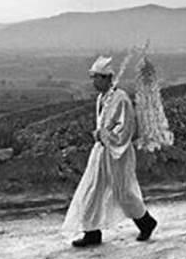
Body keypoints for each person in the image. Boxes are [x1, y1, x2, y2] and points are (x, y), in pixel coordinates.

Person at [62, 56, 157, 247]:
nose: (94, 82)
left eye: (97, 77)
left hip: (117, 154)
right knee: (91, 190)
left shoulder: (120, 99)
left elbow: (125, 129)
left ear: (106, 78)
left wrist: (103, 135)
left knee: (123, 192)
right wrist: (101, 137)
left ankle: (146, 223)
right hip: (102, 152)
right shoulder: (102, 98)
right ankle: (91, 233)